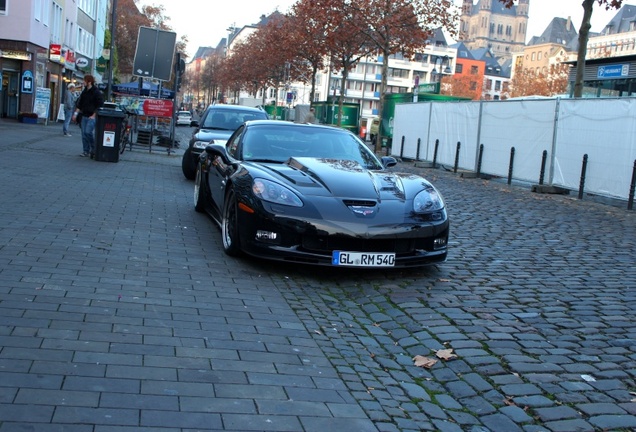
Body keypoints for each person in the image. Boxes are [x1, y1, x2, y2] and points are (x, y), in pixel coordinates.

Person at [72, 75, 104, 158]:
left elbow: (100, 105)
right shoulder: (84, 92)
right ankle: (86, 151)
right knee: (83, 134)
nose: (83, 82)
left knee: (88, 132)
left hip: (92, 116)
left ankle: (93, 148)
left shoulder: (96, 92)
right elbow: (80, 104)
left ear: (89, 82)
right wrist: (75, 114)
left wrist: (94, 115)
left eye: (84, 81)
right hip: (84, 115)